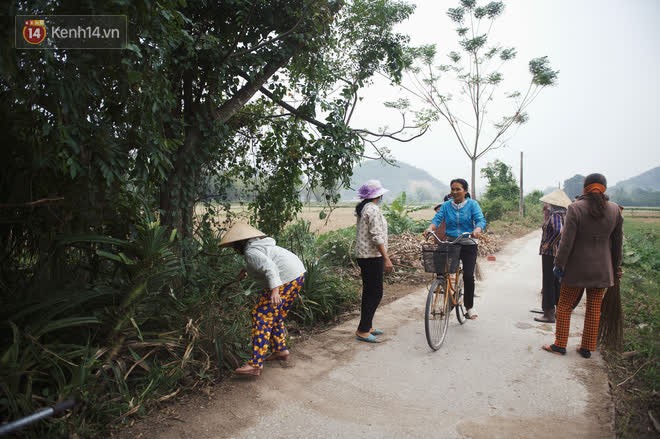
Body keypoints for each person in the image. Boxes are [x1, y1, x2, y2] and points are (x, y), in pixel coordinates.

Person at [542, 173, 623, 358]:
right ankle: (586, 348)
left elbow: (566, 242)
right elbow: (617, 243)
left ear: (584, 188)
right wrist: (616, 266)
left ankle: (560, 345)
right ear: (605, 188)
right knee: (594, 308)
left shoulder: (575, 208)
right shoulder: (615, 210)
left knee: (564, 305)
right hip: (603, 269)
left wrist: (559, 264)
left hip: (576, 268)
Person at [220, 223, 306, 375]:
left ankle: (255, 364)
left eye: (234, 246)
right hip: (296, 275)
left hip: (285, 278)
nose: (234, 249)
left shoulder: (251, 252)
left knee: (261, 315)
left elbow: (269, 267)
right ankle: (280, 350)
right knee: (274, 314)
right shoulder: (257, 246)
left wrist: (275, 291)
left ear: (239, 244)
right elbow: (262, 262)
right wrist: (246, 270)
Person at [426, 178, 486, 319]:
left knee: (468, 276)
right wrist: (430, 228)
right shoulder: (446, 206)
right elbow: (437, 220)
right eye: (452, 189)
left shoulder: (472, 205)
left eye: (458, 189)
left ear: (465, 191)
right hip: (452, 243)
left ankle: (469, 307)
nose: (455, 192)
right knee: (441, 270)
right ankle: (445, 288)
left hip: (469, 244)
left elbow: (480, 220)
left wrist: (477, 229)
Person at [354, 180, 393, 343]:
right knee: (375, 293)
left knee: (369, 292)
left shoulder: (364, 207)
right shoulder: (373, 209)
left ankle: (367, 326)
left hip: (364, 255)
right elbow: (376, 236)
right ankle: (363, 330)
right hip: (372, 256)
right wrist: (387, 258)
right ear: (379, 195)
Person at [534, 189, 572, 323]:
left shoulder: (556, 215)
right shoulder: (565, 214)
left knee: (548, 281)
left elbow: (558, 231)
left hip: (551, 253)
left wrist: (548, 244)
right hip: (559, 253)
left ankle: (548, 312)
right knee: (556, 281)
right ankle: (555, 310)